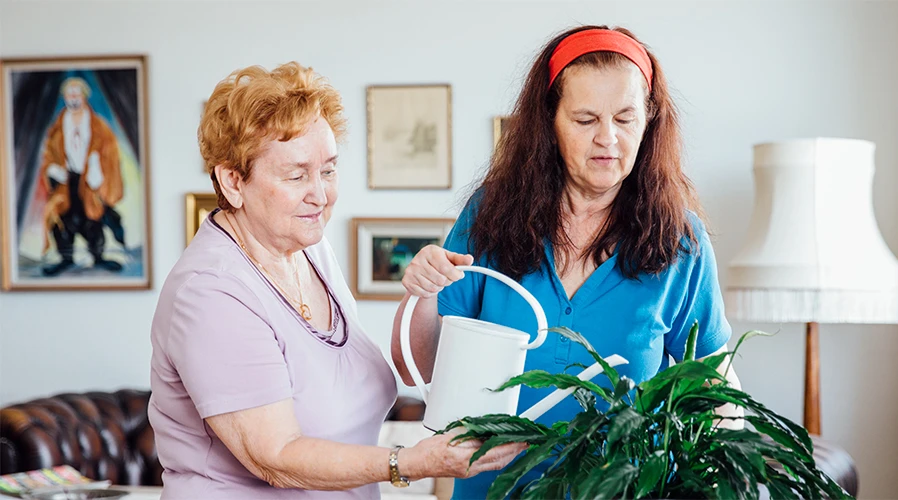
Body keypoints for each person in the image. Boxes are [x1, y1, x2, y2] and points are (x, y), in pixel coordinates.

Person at [391, 25, 743, 498]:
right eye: (585, 120)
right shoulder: (491, 213)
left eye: (625, 118)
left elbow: (714, 386)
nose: (608, 139)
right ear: (550, 121)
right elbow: (422, 364)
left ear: (649, 120)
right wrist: (424, 292)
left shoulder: (681, 241)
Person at [148, 62, 524, 499]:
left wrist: (422, 294)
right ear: (233, 181)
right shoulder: (209, 291)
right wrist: (413, 461)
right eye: (296, 175)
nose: (321, 194)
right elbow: (276, 455)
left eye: (328, 170)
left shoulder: (310, 250)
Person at [39, 76, 125, 276]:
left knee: (92, 217)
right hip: (66, 180)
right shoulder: (58, 128)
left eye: (77, 94)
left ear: (84, 96)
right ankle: (65, 258)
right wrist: (52, 169)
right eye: (70, 95)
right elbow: (48, 153)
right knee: (61, 217)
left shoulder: (99, 126)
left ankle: (98, 256)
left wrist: (97, 165)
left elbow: (110, 151)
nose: (73, 98)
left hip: (90, 182)